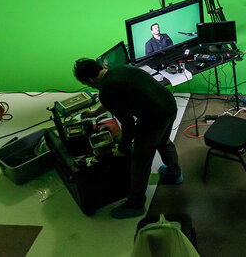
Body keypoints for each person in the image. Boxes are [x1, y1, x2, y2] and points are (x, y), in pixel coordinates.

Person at [73, 58, 183, 219]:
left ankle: (136, 204)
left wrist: (122, 148)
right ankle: (175, 174)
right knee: (163, 141)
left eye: (87, 84)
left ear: (89, 80)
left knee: (140, 160)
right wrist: (95, 113)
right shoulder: (118, 69)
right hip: (168, 105)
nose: (90, 86)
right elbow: (114, 97)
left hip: (153, 118)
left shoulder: (106, 90)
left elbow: (128, 123)